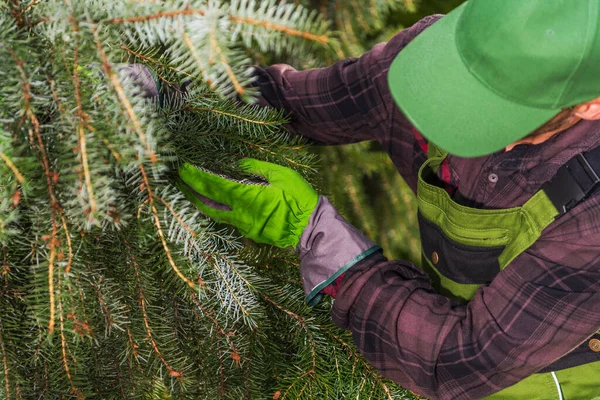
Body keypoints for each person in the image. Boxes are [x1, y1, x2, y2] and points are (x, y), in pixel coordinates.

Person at [178, 1, 600, 398]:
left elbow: (462, 359)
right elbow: (297, 102)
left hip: (543, 380)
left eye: (503, 108)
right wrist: (169, 100)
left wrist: (325, 244)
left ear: (590, 103)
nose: (466, 112)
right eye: (471, 85)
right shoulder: (434, 60)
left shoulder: (592, 216)